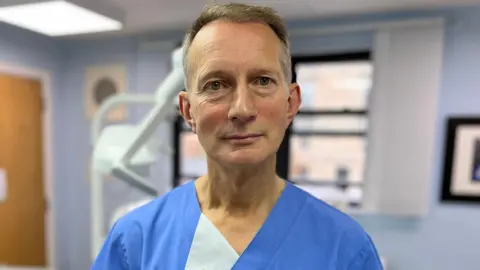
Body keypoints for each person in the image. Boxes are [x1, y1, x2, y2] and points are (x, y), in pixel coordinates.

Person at [92, 3, 384, 269]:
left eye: (263, 81)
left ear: (291, 103)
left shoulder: (344, 250)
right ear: (188, 110)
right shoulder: (135, 244)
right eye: (216, 85)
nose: (241, 109)